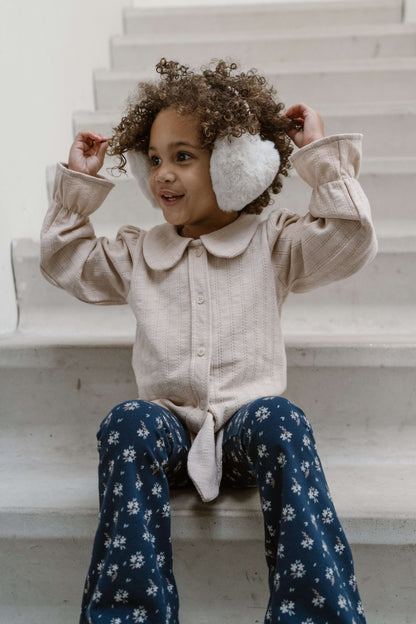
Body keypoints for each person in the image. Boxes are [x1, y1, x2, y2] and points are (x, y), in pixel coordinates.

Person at [40, 58, 377, 624]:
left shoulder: (272, 242)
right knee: (127, 422)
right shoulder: (139, 250)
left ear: (235, 165)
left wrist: (317, 159)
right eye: (154, 159)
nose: (162, 174)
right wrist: (81, 187)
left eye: (183, 157)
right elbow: (64, 259)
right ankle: (130, 614)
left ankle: (316, 614)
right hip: (168, 429)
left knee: (282, 419)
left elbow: (349, 237)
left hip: (245, 427)